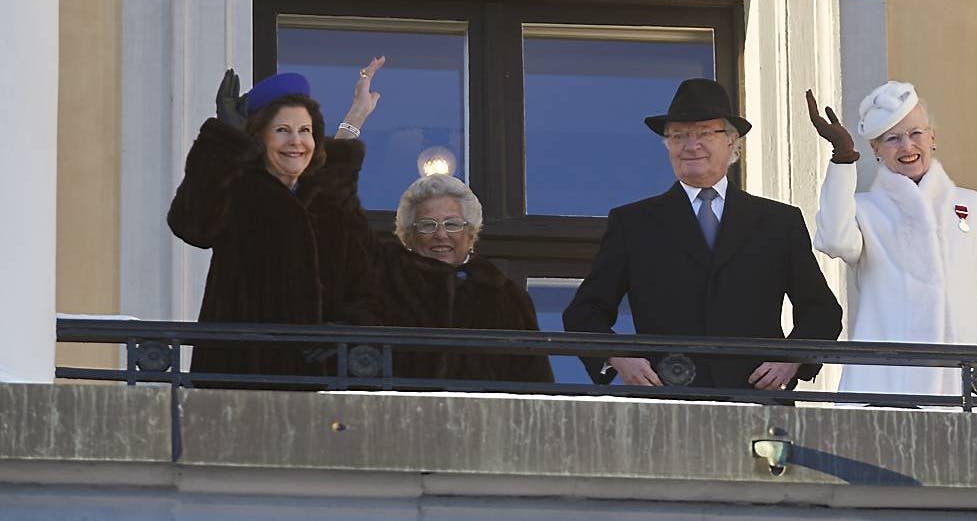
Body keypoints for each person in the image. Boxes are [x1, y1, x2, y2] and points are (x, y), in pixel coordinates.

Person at [562, 78, 843, 391]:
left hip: (756, 403)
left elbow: (822, 311)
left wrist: (791, 359)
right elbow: (584, 312)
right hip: (668, 403)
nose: (691, 145)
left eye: (705, 133)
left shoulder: (778, 222)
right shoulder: (633, 223)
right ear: (668, 146)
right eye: (678, 136)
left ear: (731, 141)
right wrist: (618, 357)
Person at [168, 60, 384, 380]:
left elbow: (367, 283)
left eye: (305, 131)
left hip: (323, 382)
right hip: (241, 375)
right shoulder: (237, 191)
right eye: (282, 130)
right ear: (260, 137)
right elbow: (191, 225)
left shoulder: (331, 204)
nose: (296, 141)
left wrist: (348, 330)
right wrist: (225, 139)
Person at [806, 82, 977, 397]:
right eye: (892, 139)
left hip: (973, 386)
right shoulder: (866, 211)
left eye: (915, 134)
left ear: (932, 137)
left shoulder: (975, 207)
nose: (907, 147)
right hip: (888, 386)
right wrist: (842, 158)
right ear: (876, 150)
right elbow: (834, 241)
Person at [370, 174, 554, 384]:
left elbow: (536, 379)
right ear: (409, 236)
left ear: (470, 232)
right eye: (428, 225)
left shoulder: (507, 296)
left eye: (452, 224)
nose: (441, 235)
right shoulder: (385, 286)